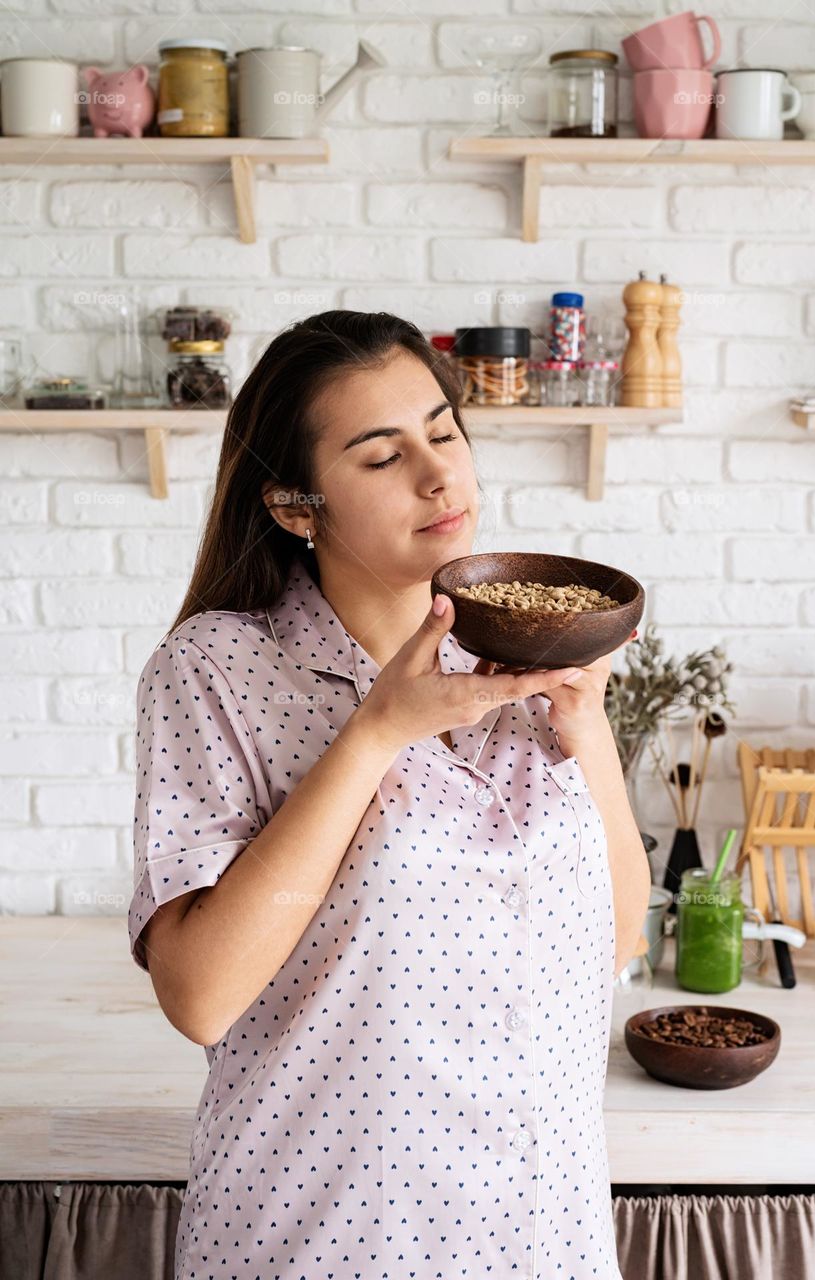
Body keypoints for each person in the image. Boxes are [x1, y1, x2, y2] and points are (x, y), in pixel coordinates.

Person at [129, 309, 649, 1279]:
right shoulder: (217, 671)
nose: (436, 471)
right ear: (295, 505)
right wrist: (376, 730)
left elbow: (610, 947)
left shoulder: (530, 659)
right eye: (381, 455)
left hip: (538, 1241)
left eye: (442, 430)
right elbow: (199, 994)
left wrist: (590, 736)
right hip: (326, 1242)